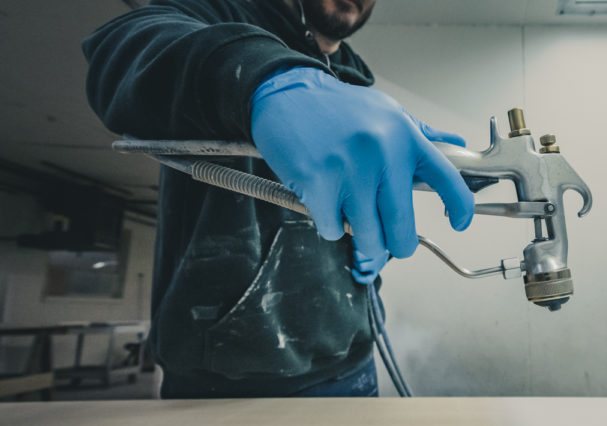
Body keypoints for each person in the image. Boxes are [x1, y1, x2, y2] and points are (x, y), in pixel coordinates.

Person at [83, 0, 475, 398]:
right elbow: (124, 43)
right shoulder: (224, 13)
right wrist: (264, 78)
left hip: (353, 359)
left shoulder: (355, 84)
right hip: (228, 384)